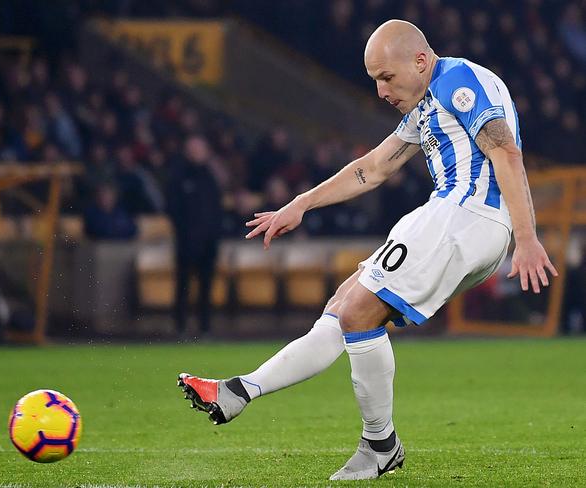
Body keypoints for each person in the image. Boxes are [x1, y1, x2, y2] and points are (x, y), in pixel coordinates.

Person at [177, 20, 558, 481]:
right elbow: (373, 168)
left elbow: (506, 152)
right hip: (452, 217)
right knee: (342, 307)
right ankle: (238, 391)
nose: (380, 91)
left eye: (386, 77)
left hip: (467, 215)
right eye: (375, 80)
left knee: (358, 311)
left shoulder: (458, 80)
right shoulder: (427, 103)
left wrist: (528, 236)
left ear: (419, 61)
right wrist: (303, 202)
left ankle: (380, 445)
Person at [167, 134, 223, 338]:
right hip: (187, 241)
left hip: (209, 241)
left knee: (206, 286)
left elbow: (216, 208)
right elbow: (173, 209)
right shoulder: (178, 176)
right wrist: (185, 233)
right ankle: (180, 327)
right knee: (183, 285)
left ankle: (205, 328)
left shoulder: (211, 176)